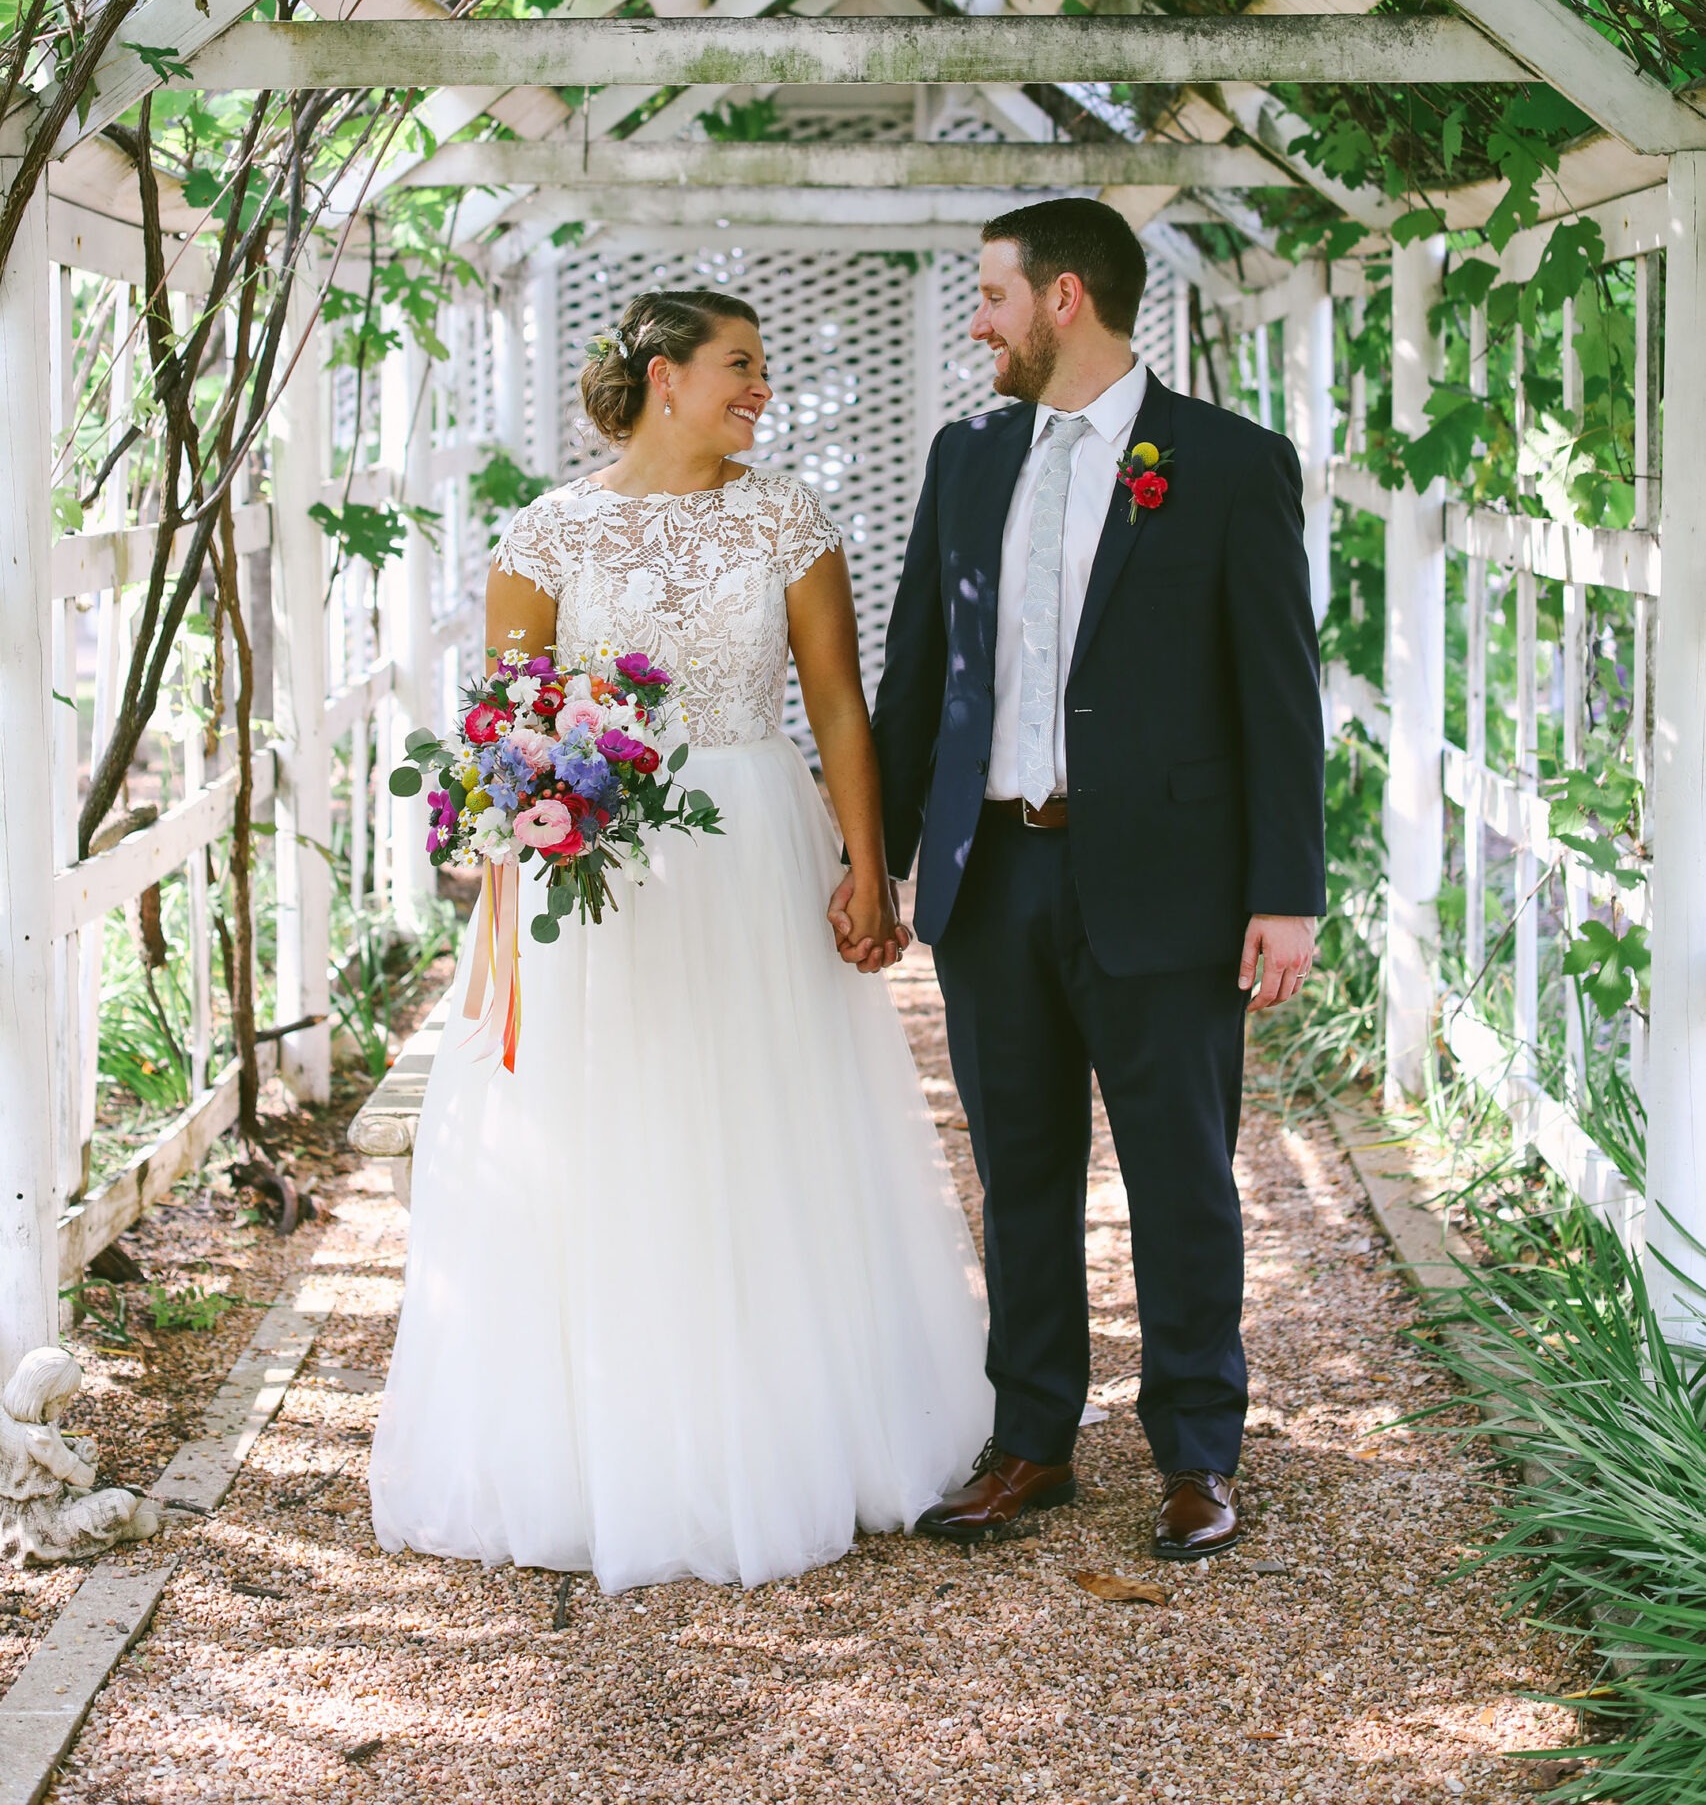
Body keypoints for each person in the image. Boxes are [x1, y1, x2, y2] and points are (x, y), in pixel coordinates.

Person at [371, 288, 992, 1592]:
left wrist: (865, 864)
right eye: (739, 366)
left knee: (761, 1123)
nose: (759, 389)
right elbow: (507, 726)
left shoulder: (784, 519)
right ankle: (607, 1445)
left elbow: (835, 702)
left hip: (758, 840)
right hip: (605, 875)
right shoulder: (547, 534)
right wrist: (540, 819)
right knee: (613, 1129)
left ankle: (785, 1429)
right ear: (663, 378)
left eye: (762, 367)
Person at [871, 200, 1325, 1560]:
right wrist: (875, 861)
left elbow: (1276, 690)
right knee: (1017, 1172)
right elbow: (915, 673)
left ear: (1064, 298)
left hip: (1170, 884)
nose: (978, 321)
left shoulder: (1229, 462)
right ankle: (1032, 1444)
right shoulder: (964, 457)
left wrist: (1285, 889)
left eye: (993, 296)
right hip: (991, 871)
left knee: (1180, 1175)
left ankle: (1194, 1454)